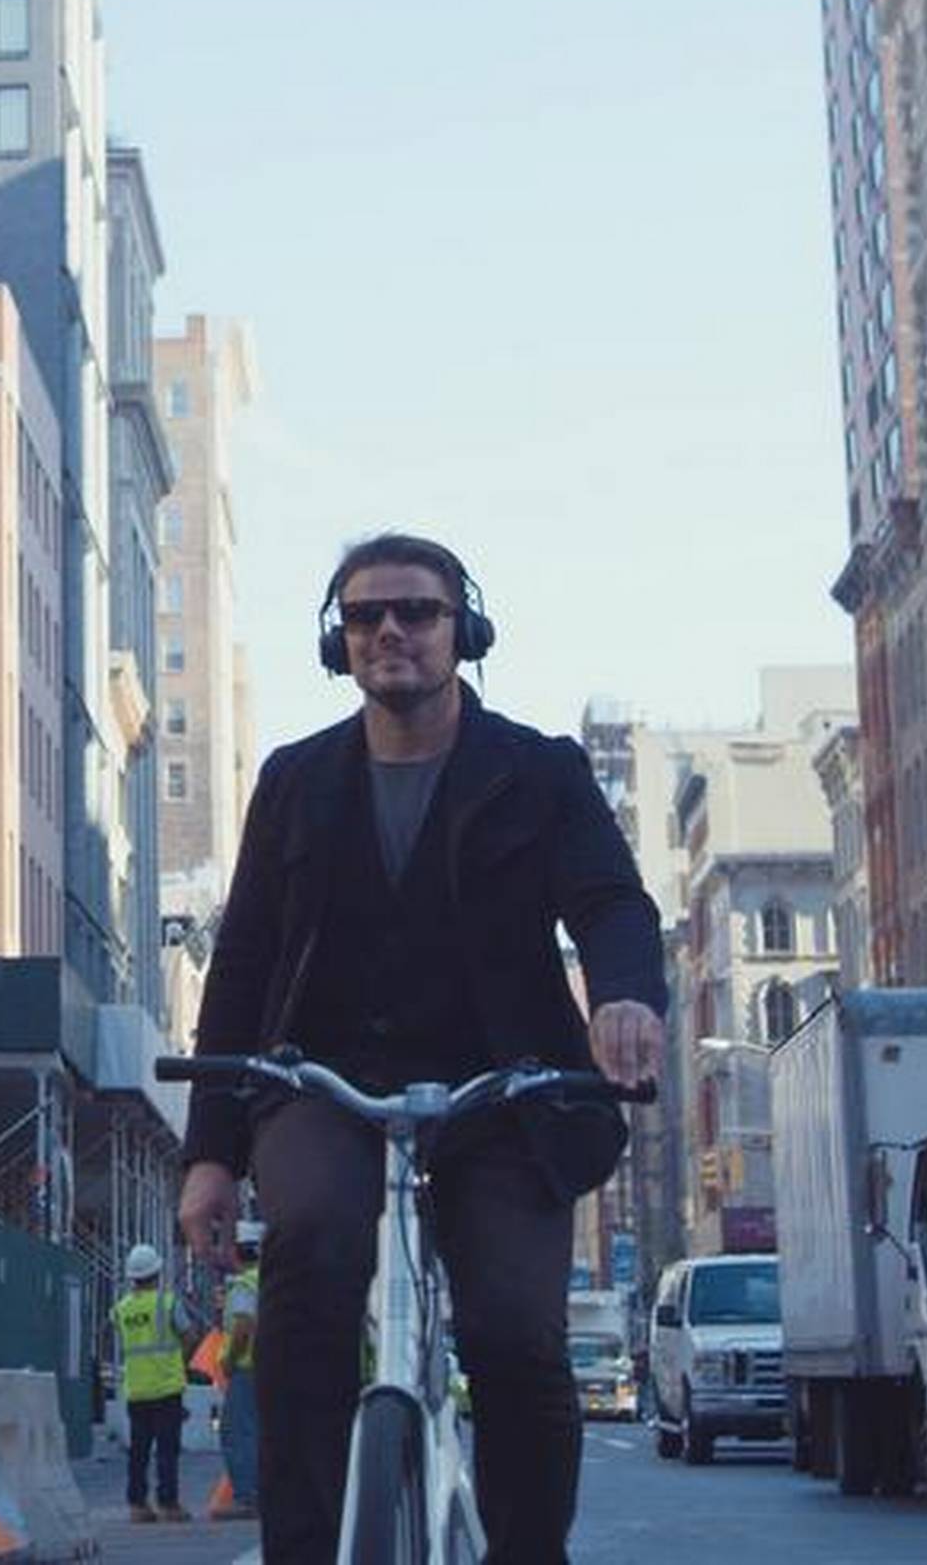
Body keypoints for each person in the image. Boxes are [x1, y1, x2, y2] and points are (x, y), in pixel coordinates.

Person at [174, 533, 667, 1565]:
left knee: (515, 1333)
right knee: (309, 1252)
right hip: (326, 1082)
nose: (389, 631)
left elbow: (611, 903)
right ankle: (306, 1548)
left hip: (507, 1094)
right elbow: (245, 966)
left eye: (415, 612)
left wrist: (623, 998)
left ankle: (527, 1552)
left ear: (462, 632)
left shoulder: (538, 772)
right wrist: (211, 1154)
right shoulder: (296, 780)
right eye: (364, 617)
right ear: (338, 642)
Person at [112, 1242, 192, 1524]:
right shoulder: (167, 1302)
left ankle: (137, 1505)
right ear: (157, 1273)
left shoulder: (120, 1309)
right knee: (167, 1449)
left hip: (136, 1389)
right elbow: (187, 1335)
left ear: (132, 1277)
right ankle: (168, 1503)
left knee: (139, 1449)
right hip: (167, 1388)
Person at [216, 1219, 263, 1519]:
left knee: (236, 1432)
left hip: (247, 1367)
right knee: (262, 1432)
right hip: (274, 1365)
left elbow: (244, 1326)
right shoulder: (271, 1279)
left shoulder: (245, 1285)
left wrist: (230, 1359)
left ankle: (247, 1497)